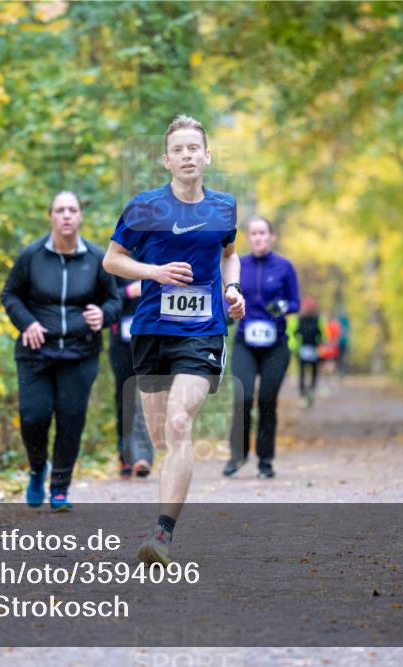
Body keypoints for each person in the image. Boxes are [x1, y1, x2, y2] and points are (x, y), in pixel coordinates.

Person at [103, 114, 245, 565]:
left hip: (203, 332)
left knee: (181, 423)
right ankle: (164, 513)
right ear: (166, 160)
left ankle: (162, 535)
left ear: (208, 156)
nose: (187, 155)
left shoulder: (223, 207)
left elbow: (229, 254)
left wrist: (232, 289)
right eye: (178, 149)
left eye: (194, 148)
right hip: (150, 330)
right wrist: (154, 272)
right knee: (164, 434)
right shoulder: (144, 207)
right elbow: (112, 260)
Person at [0, 191, 122, 511]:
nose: (66, 215)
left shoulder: (97, 258)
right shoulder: (32, 256)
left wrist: (104, 314)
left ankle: (60, 489)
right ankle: (38, 467)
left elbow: (115, 299)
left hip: (80, 354)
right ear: (50, 216)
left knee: (71, 419)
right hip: (36, 352)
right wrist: (27, 323)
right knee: (33, 416)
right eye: (60, 210)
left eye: (72, 210)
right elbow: (10, 295)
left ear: (81, 216)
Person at [223, 216, 299, 479]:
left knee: (267, 400)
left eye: (262, 233)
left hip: (275, 346)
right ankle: (237, 455)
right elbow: (226, 298)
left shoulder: (284, 266)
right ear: (249, 237)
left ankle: (265, 461)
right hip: (245, 343)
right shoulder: (238, 265)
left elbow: (295, 302)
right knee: (242, 397)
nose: (258, 238)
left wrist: (283, 307)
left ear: (271, 237)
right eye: (253, 234)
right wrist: (227, 312)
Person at [108, 275, 154, 478]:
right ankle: (125, 457)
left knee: (149, 398)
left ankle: (143, 457)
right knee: (124, 399)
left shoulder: (154, 252)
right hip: (121, 344)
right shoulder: (112, 260)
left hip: (151, 339)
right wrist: (126, 293)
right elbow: (103, 298)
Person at [295, 296, 322, 407]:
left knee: (311, 372)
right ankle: (304, 393)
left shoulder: (316, 319)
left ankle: (310, 391)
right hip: (305, 348)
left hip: (311, 348)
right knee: (304, 372)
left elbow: (320, 333)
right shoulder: (302, 320)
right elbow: (296, 332)